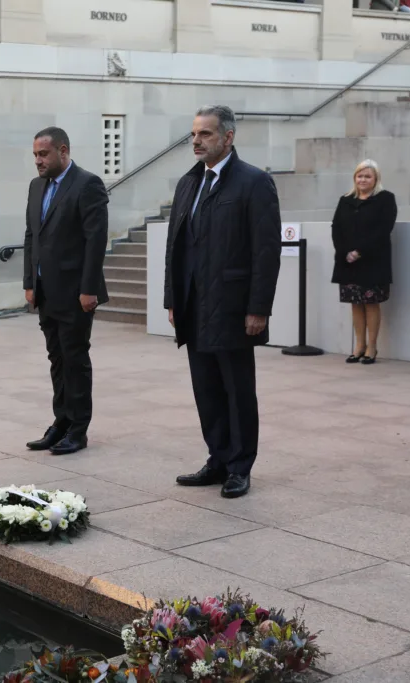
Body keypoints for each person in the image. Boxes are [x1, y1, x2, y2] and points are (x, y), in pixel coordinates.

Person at [163, 105, 281, 499]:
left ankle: (240, 466)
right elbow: (174, 247)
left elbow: (265, 251)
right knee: (206, 388)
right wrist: (172, 297)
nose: (196, 141)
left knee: (237, 388)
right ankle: (217, 458)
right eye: (194, 134)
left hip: (233, 305)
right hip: (194, 305)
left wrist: (258, 307)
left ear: (228, 137)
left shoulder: (254, 182)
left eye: (205, 135)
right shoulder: (187, 183)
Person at [22, 127, 109, 456]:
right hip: (46, 291)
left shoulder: (87, 184)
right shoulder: (36, 186)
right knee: (57, 359)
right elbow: (32, 235)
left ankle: (78, 429)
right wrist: (29, 283)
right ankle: (60, 422)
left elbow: (95, 240)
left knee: (75, 359)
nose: (38, 161)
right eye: (35, 155)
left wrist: (89, 289)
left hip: (76, 293)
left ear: (62, 150)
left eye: (43, 154)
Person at [330, 160, 397, 365]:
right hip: (348, 262)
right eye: (360, 176)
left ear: (376, 179)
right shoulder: (346, 200)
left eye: (367, 176)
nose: (363, 180)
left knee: (370, 303)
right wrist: (345, 252)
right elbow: (336, 228)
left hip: (373, 261)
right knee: (355, 304)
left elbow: (383, 229)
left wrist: (360, 251)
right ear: (354, 178)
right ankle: (358, 346)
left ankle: (372, 347)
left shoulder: (385, 199)